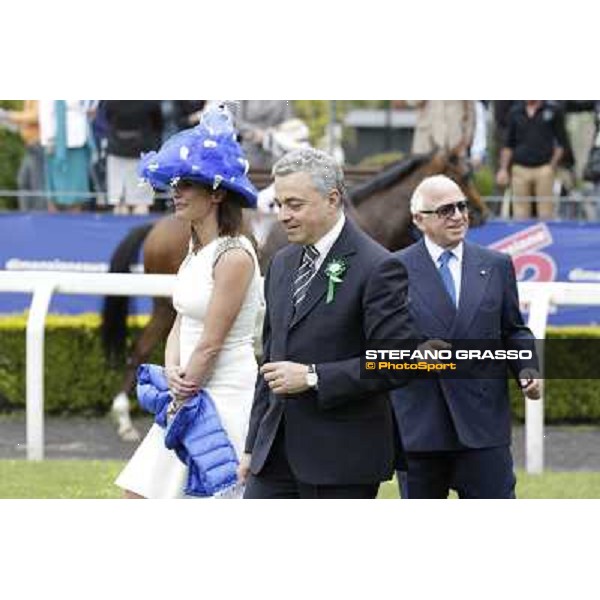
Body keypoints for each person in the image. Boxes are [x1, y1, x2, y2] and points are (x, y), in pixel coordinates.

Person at [239, 147, 415, 499]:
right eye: (279, 204)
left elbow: (396, 362)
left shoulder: (379, 266)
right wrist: (252, 445)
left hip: (343, 459)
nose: (284, 216)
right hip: (273, 456)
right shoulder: (281, 263)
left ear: (332, 199)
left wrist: (313, 376)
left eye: (295, 204)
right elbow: (270, 362)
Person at [115, 106, 262, 499]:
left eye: (186, 184)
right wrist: (171, 369)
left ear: (216, 193)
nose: (174, 192)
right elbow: (180, 319)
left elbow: (213, 340)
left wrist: (182, 388)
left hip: (226, 396)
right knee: (139, 494)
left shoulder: (234, 254)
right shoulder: (196, 249)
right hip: (189, 387)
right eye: (174, 183)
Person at [390, 174, 541, 499]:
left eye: (462, 206)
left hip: (484, 426)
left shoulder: (497, 264)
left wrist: (527, 368)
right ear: (419, 219)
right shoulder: (393, 269)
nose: (458, 215)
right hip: (421, 425)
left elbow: (514, 330)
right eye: (446, 210)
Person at [496, 100, 568, 220]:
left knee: (546, 213)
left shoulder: (553, 110)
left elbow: (561, 143)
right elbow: (508, 144)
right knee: (520, 214)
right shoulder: (515, 112)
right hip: (520, 169)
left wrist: (552, 166)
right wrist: (503, 169)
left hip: (544, 168)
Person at [103, 100, 163, 215]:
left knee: (119, 202)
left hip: (117, 149)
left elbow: (108, 118)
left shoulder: (111, 101)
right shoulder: (151, 101)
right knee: (141, 202)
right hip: (143, 150)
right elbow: (158, 124)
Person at [39, 100, 91, 212]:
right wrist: (50, 140)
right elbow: (45, 112)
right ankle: (55, 226)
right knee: (55, 193)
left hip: (78, 143)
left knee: (77, 194)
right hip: (56, 146)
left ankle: (74, 226)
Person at [2, 100, 47, 210]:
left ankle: (38, 221)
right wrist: (9, 122)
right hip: (31, 146)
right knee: (24, 182)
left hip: (40, 146)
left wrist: (7, 115)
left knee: (37, 187)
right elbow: (26, 121)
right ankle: (27, 220)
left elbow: (37, 116)